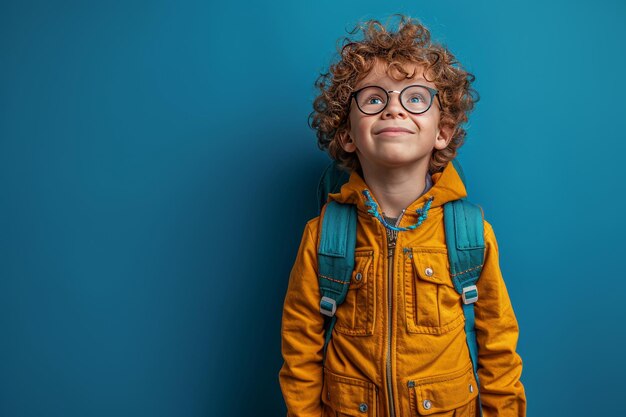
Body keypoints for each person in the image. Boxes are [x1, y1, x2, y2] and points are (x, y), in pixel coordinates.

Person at [279, 15, 526, 417]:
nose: (394, 109)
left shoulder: (469, 235)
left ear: (441, 132)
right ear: (347, 134)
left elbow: (498, 348)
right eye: (374, 99)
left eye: (415, 99)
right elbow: (300, 348)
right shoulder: (324, 234)